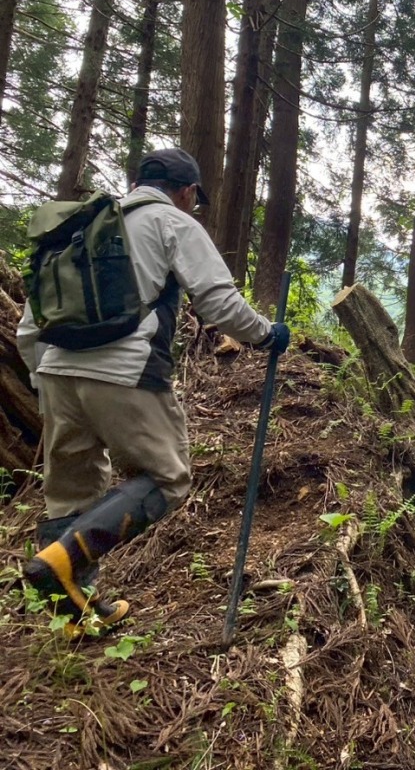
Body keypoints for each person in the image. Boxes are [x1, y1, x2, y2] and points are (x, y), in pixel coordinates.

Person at [16, 147, 289, 636]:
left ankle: (74, 617)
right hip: (126, 370)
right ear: (187, 192)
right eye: (194, 198)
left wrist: (44, 377)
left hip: (56, 370)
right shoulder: (172, 222)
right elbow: (218, 301)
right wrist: (266, 334)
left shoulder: (81, 225)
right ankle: (60, 564)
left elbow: (30, 324)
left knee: (71, 491)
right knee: (168, 478)